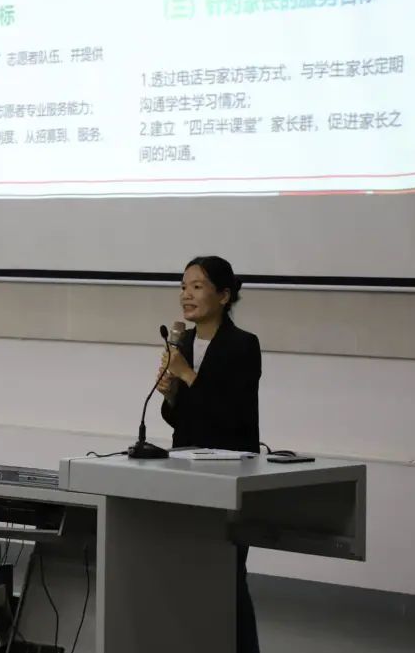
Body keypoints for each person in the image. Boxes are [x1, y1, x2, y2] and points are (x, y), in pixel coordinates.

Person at [157, 255, 261, 653]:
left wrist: (186, 374)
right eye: (183, 287)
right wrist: (171, 394)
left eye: (197, 286)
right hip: (186, 466)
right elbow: (182, 417)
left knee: (228, 576)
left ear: (224, 295)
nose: (186, 294)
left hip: (228, 474)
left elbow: (229, 416)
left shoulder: (243, 345)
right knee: (187, 573)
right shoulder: (183, 343)